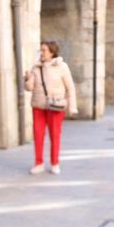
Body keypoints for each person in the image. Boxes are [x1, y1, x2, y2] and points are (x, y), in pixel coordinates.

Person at [24, 41, 78, 174]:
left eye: (44, 50)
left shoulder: (62, 67)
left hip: (55, 106)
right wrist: (27, 79)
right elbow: (29, 88)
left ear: (52, 52)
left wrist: (72, 106)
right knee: (38, 135)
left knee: (55, 135)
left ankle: (55, 163)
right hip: (38, 105)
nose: (41, 53)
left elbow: (70, 87)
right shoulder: (36, 67)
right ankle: (38, 163)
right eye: (40, 50)